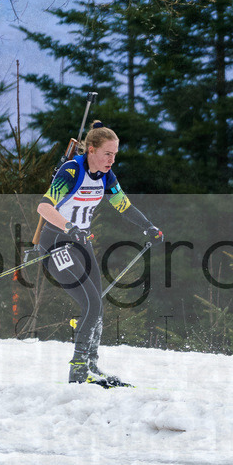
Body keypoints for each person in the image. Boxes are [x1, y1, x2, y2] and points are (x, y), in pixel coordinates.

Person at [36, 121, 163, 387]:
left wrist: (148, 226)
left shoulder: (106, 176)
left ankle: (91, 365)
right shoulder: (71, 171)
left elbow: (123, 205)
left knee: (98, 307)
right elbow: (44, 207)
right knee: (91, 304)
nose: (112, 159)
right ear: (91, 150)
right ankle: (79, 372)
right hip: (57, 242)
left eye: (115, 154)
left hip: (81, 244)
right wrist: (70, 227)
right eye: (107, 153)